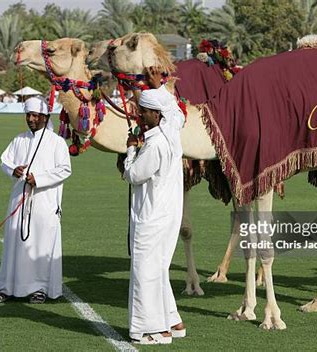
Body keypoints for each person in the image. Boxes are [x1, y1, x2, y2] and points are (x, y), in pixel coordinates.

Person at [124, 68, 185, 345]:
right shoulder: (171, 130)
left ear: (155, 115)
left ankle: (151, 330)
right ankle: (172, 321)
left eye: (144, 111)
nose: (140, 115)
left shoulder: (155, 145)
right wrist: (159, 87)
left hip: (150, 217)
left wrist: (130, 150)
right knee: (158, 270)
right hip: (167, 215)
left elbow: (133, 175)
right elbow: (176, 113)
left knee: (144, 273)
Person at [0, 97, 71, 304]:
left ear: (45, 117)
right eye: (28, 115)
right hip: (20, 199)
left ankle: (40, 289)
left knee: (41, 245)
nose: (31, 119)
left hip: (45, 201)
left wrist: (40, 179)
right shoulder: (19, 139)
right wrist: (13, 170)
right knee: (14, 243)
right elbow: (5, 161)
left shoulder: (57, 141)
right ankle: (7, 287)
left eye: (35, 115)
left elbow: (65, 169)